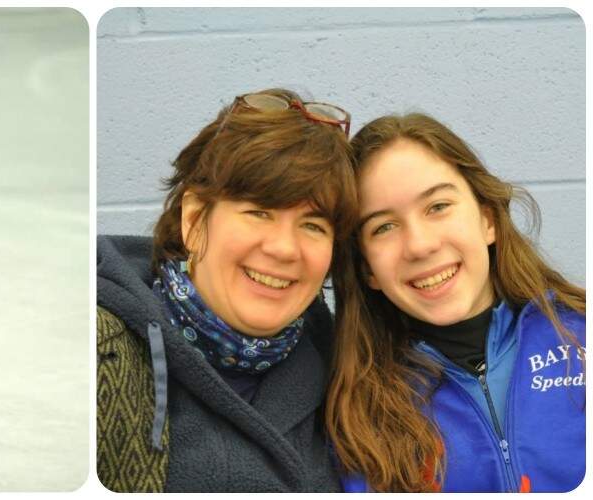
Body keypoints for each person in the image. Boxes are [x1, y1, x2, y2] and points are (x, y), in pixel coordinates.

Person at [96, 88, 358, 492]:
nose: (284, 248)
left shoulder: (343, 373)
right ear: (195, 218)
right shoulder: (99, 355)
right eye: (259, 212)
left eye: (312, 225)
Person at [326, 113, 585, 492]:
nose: (420, 245)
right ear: (367, 271)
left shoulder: (580, 337)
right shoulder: (352, 413)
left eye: (438, 206)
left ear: (488, 220)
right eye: (383, 227)